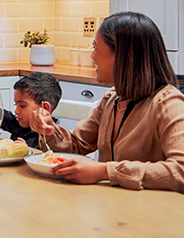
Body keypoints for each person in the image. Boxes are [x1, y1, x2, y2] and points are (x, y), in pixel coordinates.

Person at [30, 11, 184, 193]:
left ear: (122, 56)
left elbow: (180, 171)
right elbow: (77, 144)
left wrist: (104, 171)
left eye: (95, 48)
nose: (92, 56)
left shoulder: (168, 104)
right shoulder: (113, 98)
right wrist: (48, 129)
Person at [0, 72, 62, 149]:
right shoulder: (20, 124)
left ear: (44, 108)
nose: (16, 111)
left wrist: (26, 151)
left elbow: (47, 159)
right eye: (15, 104)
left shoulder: (54, 138)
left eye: (22, 106)